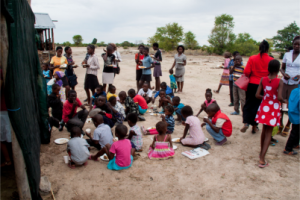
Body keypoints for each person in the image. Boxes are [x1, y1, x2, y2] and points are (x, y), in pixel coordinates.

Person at [254, 60, 284, 168]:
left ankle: (261, 154)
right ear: (278, 70)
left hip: (264, 106)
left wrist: (266, 97)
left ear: (268, 69)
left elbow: (257, 95)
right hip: (273, 108)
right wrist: (285, 100)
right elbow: (279, 97)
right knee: (268, 134)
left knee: (264, 131)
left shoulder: (263, 79)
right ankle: (262, 159)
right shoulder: (279, 81)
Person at [241, 40, 273, 134]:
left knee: (248, 104)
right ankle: (255, 126)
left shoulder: (252, 58)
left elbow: (246, 72)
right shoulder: (271, 60)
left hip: (252, 84)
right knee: (258, 106)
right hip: (264, 85)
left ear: (259, 48)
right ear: (267, 49)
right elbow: (272, 74)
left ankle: (246, 122)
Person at [279, 36, 300, 136]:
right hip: (285, 82)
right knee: (281, 104)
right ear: (292, 45)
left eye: (298, 45)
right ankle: (280, 124)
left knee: (292, 106)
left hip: (295, 84)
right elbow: (282, 68)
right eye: (295, 44)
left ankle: (288, 125)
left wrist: (299, 76)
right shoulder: (287, 54)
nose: (296, 46)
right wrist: (284, 74)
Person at [283, 84, 300, 155]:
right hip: (298, 114)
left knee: (297, 131)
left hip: (292, 112)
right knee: (294, 132)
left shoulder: (295, 90)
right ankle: (288, 148)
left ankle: (295, 144)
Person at [0, 69, 12, 167]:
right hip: (6, 109)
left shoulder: (2, 72)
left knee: (5, 137)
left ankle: (9, 160)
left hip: (4, 110)